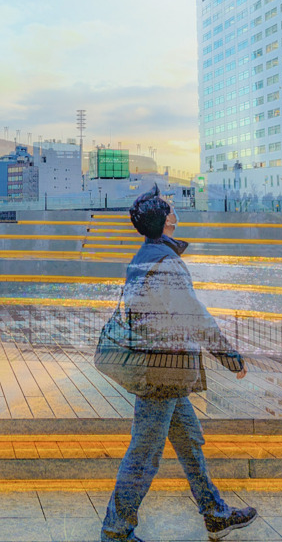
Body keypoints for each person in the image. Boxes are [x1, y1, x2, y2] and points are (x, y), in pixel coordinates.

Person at [101, 190, 258, 542]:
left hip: (160, 366)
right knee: (143, 455)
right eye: (172, 209)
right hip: (163, 370)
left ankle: (215, 514)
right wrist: (229, 356)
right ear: (168, 221)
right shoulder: (167, 263)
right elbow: (194, 316)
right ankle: (116, 531)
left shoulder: (144, 257)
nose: (176, 212)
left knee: (189, 443)